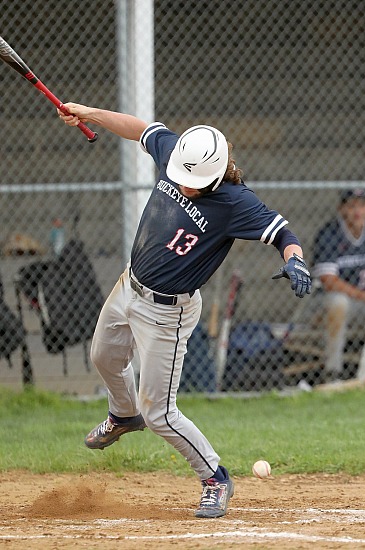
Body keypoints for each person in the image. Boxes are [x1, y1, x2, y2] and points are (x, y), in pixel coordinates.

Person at [57, 103, 311, 519]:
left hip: (167, 313)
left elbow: (283, 232)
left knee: (160, 412)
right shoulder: (178, 152)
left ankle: (215, 477)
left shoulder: (234, 202)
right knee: (103, 356)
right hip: (129, 285)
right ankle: (122, 414)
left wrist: (295, 260)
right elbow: (139, 128)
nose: (185, 185)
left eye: (195, 183)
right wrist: (87, 113)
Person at [312, 188, 365, 383]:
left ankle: (364, 376)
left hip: (363, 304)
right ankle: (332, 372)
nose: (357, 212)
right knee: (339, 302)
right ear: (341, 209)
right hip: (326, 304)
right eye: (352, 206)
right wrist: (361, 296)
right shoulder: (329, 234)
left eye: (362, 206)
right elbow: (329, 281)